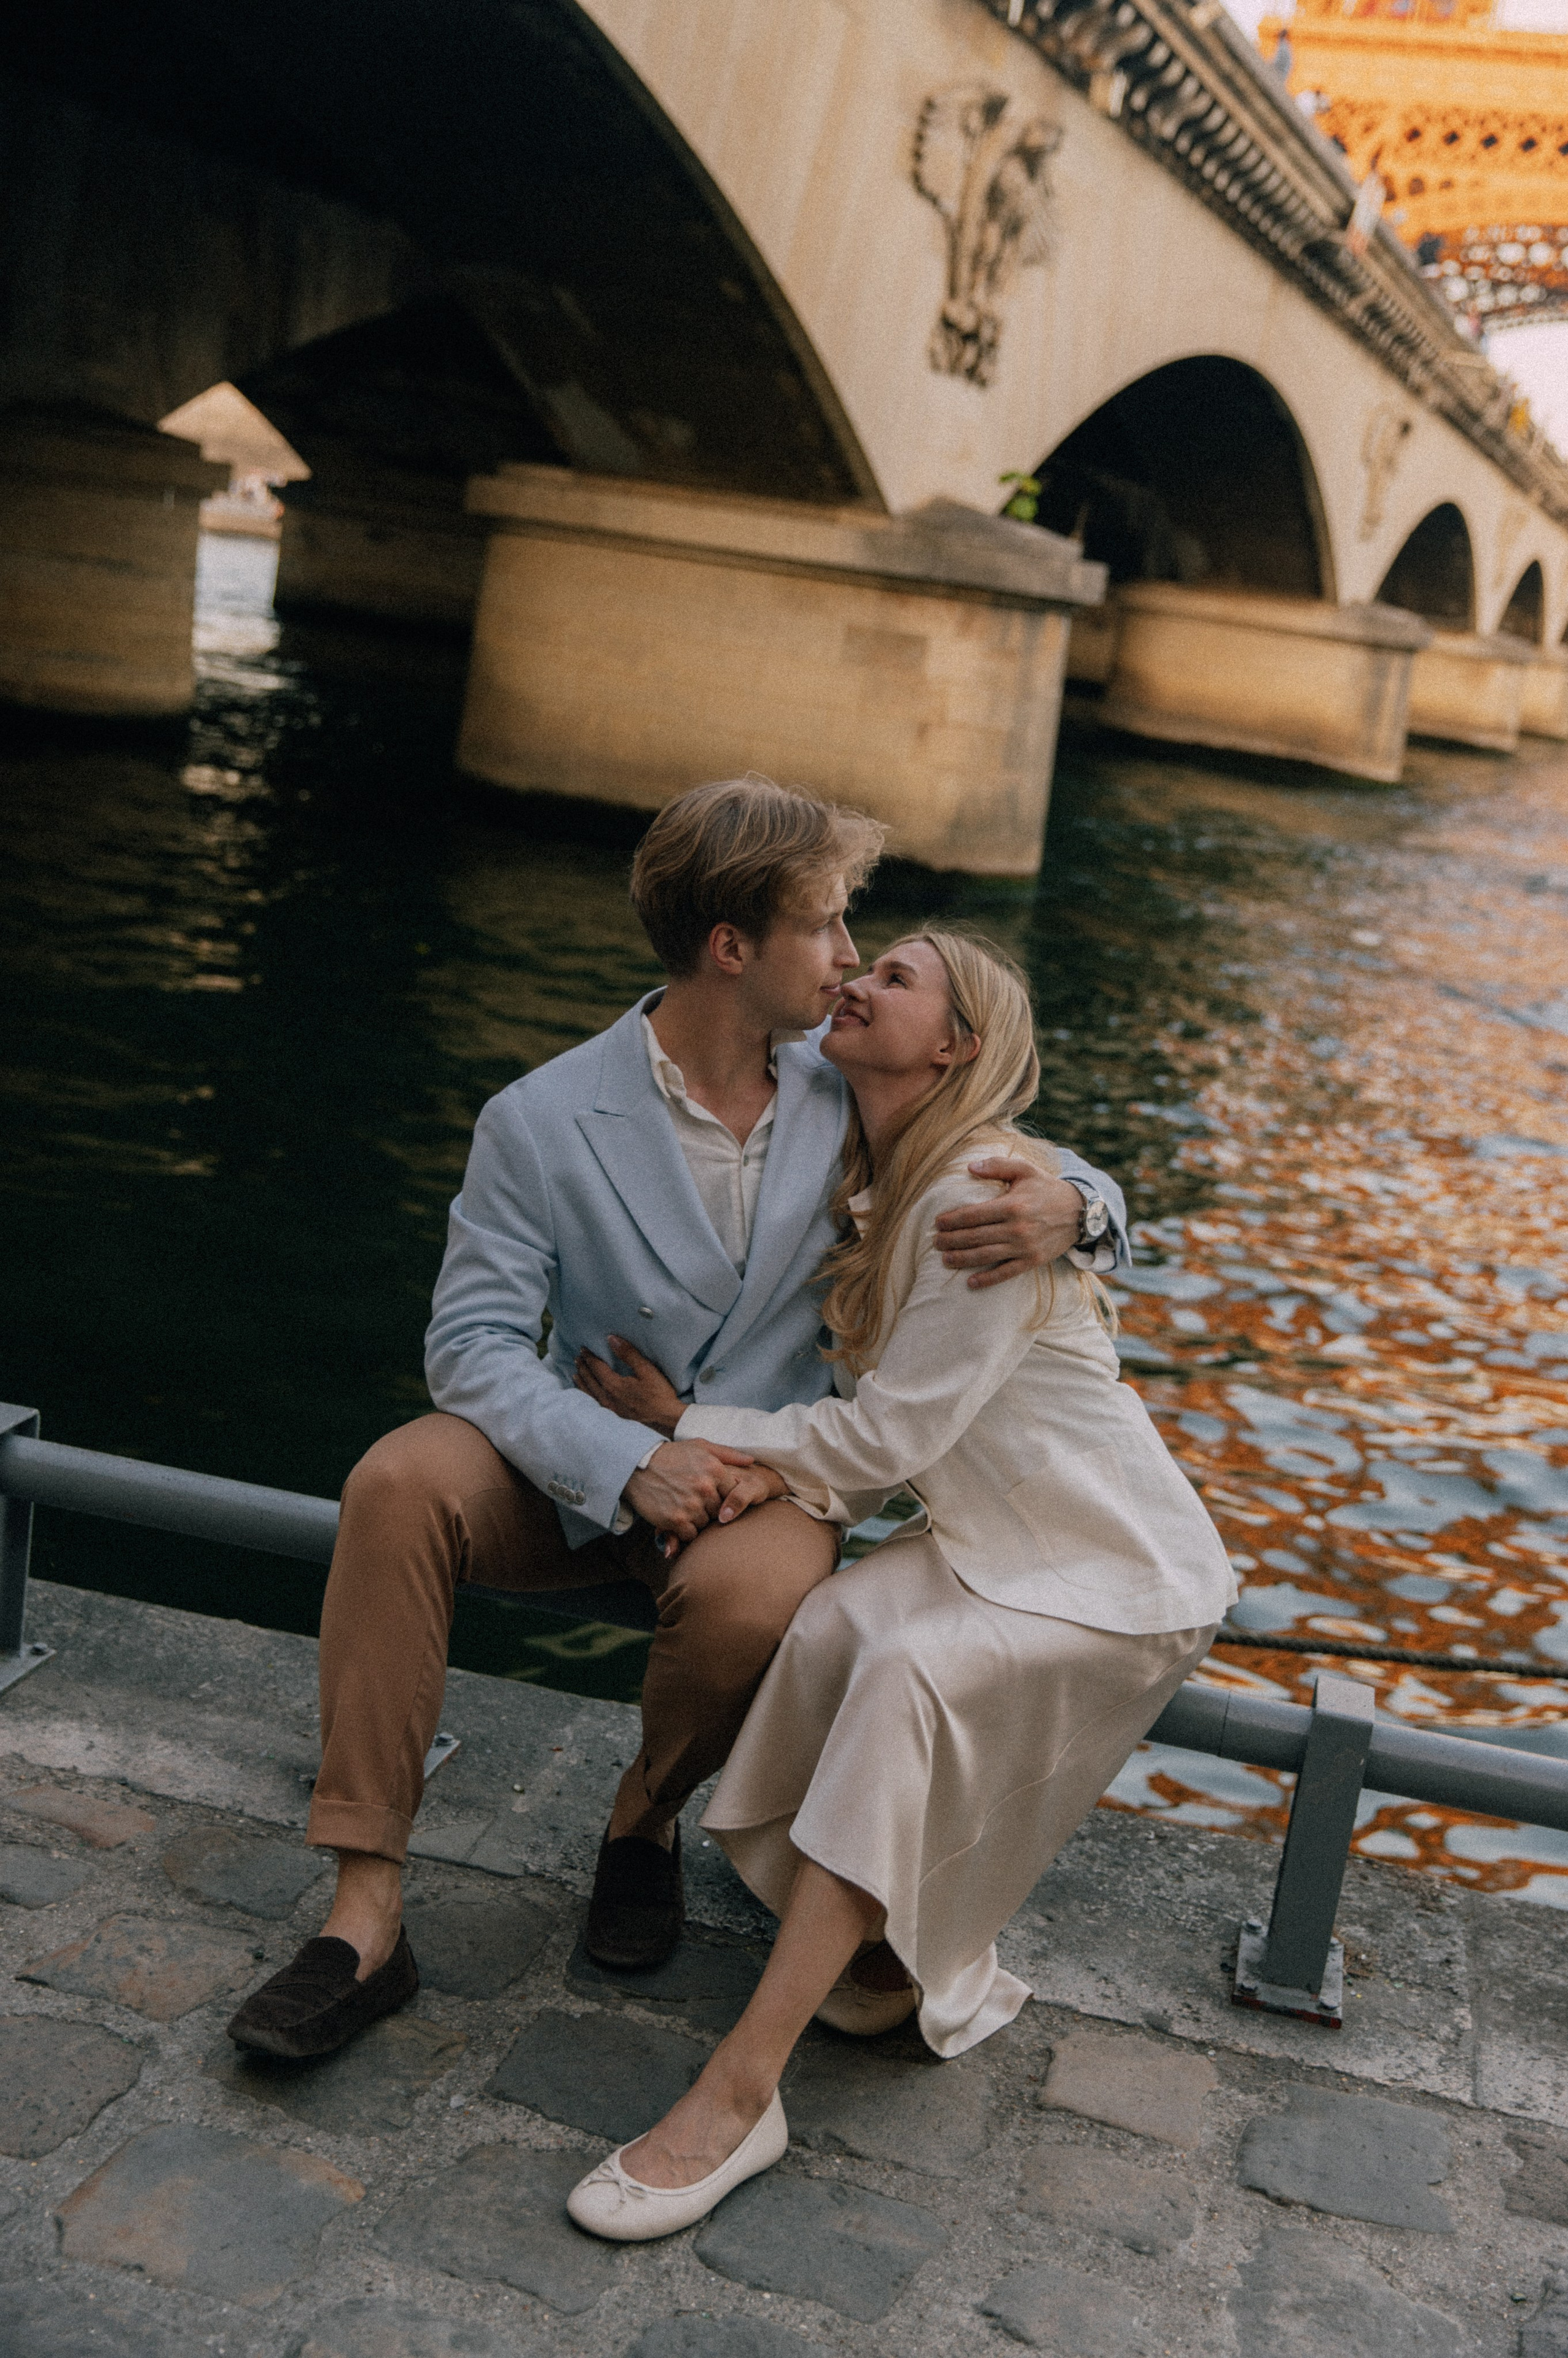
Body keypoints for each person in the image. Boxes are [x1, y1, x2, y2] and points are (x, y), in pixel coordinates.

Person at [226, 779, 1126, 2061]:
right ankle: (365, 1908)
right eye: (823, 926)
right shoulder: (538, 1119)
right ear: (731, 948)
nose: (848, 958)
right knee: (392, 1481)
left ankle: (640, 1819)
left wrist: (1078, 1210)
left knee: (759, 1602)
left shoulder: (856, 1077)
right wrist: (629, 1459)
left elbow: (1017, 1137)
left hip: (760, 1486)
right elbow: (470, 1347)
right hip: (578, 1461)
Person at [563, 928, 1236, 2242]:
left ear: (953, 1048)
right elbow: (888, 1437)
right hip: (994, 1535)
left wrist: (695, 1425)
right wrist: (774, 1472)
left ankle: (741, 2087)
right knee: (832, 1625)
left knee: (907, 1678)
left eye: (896, 977)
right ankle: (874, 1948)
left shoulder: (976, 1191)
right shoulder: (877, 1155)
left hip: (1110, 1566)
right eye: (858, 964)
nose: (855, 979)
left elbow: (879, 1442)